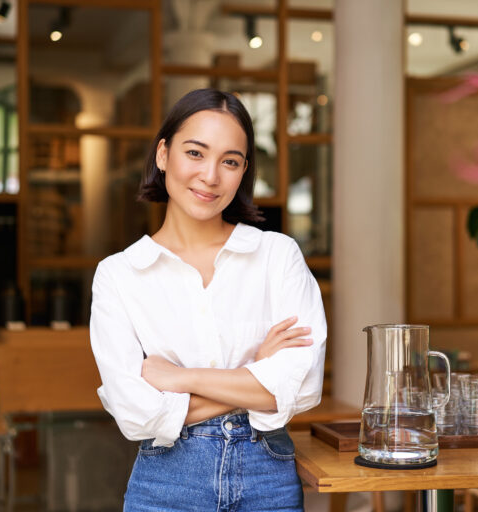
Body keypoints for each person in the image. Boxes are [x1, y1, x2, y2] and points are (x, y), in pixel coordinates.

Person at [89, 88, 327, 511]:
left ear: (243, 172)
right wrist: (258, 375)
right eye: (195, 153)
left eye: (230, 161)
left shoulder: (277, 256)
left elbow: (302, 387)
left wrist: (180, 378)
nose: (211, 176)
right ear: (163, 155)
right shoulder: (120, 275)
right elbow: (135, 413)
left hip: (267, 478)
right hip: (166, 484)